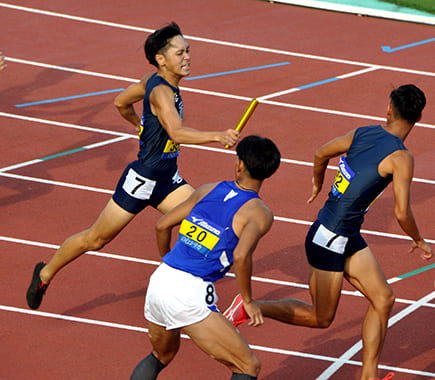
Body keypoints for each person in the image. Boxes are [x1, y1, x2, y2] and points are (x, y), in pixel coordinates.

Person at [224, 84, 433, 380]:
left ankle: (369, 377)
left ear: (389, 108)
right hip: (330, 238)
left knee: (384, 299)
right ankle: (250, 307)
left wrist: (317, 184)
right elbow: (401, 213)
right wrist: (418, 239)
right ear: (419, 118)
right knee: (320, 318)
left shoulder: (363, 132)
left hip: (345, 235)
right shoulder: (401, 158)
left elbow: (321, 153)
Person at [26, 22, 239, 310]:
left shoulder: (151, 80)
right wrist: (217, 135)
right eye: (180, 53)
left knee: (205, 223)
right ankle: (45, 272)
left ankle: (183, 287)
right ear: (161, 60)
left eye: (188, 50)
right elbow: (176, 133)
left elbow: (120, 103)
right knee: (96, 239)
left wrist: (141, 127)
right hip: (143, 180)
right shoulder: (161, 92)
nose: (188, 57)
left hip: (167, 180)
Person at [130, 135, 281, 380]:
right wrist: (248, 301)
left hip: (161, 279)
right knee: (247, 366)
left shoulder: (208, 189)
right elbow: (241, 256)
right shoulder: (260, 213)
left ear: (239, 164)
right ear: (269, 172)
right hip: (189, 292)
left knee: (161, 355)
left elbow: (162, 226)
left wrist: (168, 261)